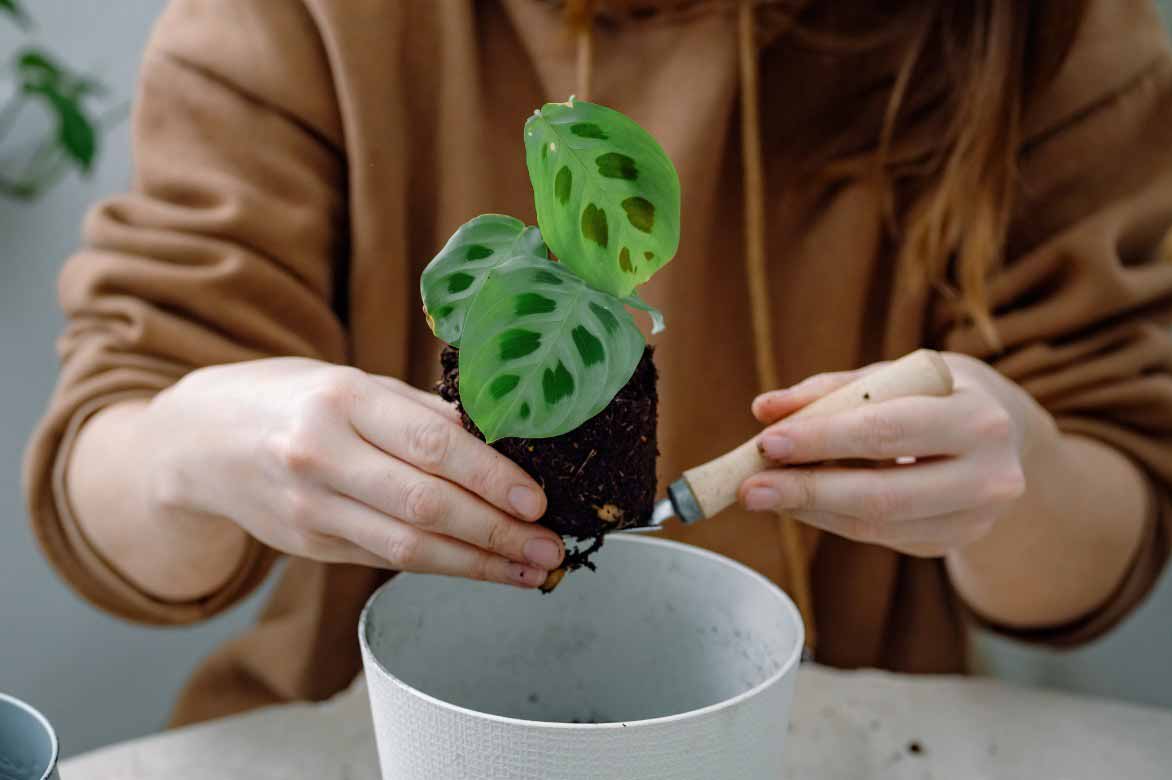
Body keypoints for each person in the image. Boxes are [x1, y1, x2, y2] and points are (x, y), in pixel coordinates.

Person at [23, 0, 1172, 727]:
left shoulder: (1044, 28)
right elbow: (108, 483)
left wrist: (1014, 465)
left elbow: (1098, 542)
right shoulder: (301, 21)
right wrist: (193, 443)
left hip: (820, 741)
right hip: (378, 735)